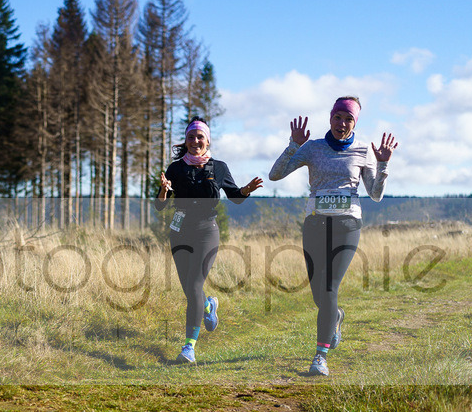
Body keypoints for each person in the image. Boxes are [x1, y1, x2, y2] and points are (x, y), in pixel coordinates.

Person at [268, 96, 398, 376]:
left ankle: (320, 356)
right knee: (319, 294)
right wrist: (293, 146)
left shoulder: (363, 150)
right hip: (315, 224)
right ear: (330, 118)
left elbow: (375, 195)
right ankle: (336, 316)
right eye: (338, 117)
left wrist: (383, 165)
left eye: (349, 119)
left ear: (355, 123)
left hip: (347, 225)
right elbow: (275, 175)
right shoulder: (313, 148)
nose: (342, 123)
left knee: (329, 289)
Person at [155, 117, 263, 364]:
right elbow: (160, 206)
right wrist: (163, 190)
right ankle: (208, 305)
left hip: (206, 231)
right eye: (191, 137)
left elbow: (235, 197)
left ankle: (189, 347)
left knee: (194, 286)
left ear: (207, 140)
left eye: (199, 137)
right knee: (189, 289)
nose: (195, 141)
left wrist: (246, 190)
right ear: (186, 140)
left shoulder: (219, 167)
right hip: (180, 230)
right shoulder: (175, 169)